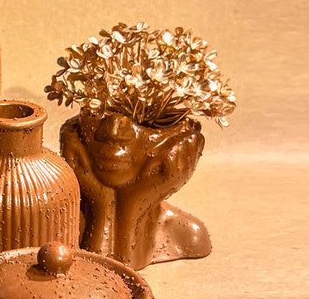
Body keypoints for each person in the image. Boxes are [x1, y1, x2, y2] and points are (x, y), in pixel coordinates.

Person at [59, 109, 211, 269]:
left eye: (147, 125)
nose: (113, 132)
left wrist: (135, 203)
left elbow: (114, 271)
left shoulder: (188, 234)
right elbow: (94, 271)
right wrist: (101, 204)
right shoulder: (55, 228)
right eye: (99, 116)